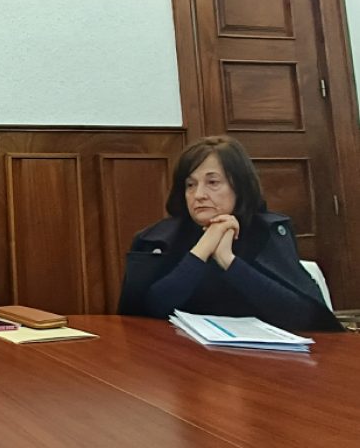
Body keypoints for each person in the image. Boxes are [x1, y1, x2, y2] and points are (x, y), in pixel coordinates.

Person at [118, 135, 340, 331]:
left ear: (239, 186)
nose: (199, 195)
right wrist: (202, 250)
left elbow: (301, 315)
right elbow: (150, 310)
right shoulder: (159, 238)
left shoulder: (267, 232)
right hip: (182, 360)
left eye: (212, 182)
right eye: (190, 185)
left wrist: (228, 260)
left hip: (260, 360)